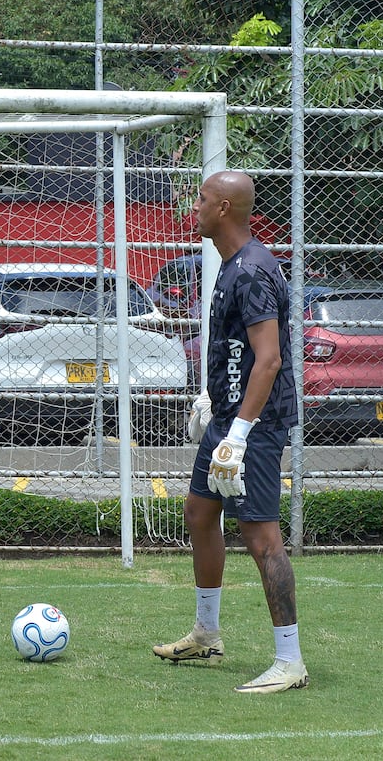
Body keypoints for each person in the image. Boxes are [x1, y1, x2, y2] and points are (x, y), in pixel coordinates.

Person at [152, 170, 307, 693]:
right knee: (199, 513)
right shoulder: (231, 265)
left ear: (222, 207)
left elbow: (268, 360)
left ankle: (290, 661)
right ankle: (207, 633)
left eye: (199, 198)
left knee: (261, 535)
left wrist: (239, 433)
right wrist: (214, 402)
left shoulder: (252, 272)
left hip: (254, 427)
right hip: (228, 417)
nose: (191, 207)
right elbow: (240, 353)